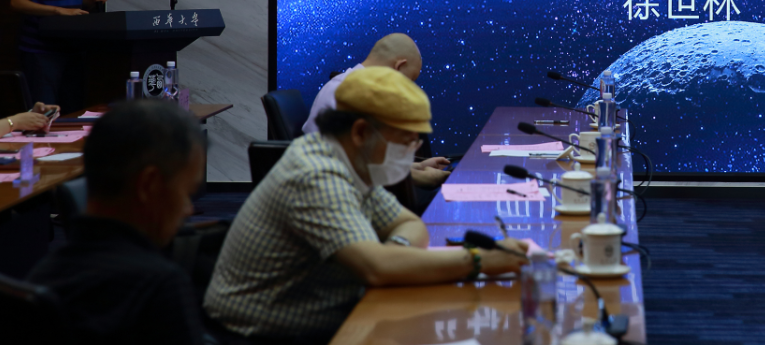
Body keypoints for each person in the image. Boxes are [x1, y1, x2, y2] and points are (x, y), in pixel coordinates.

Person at [205, 67, 528, 344]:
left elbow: (409, 225)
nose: (411, 153)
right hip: (261, 336)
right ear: (361, 132)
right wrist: (480, 259)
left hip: (328, 313)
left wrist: (395, 254)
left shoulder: (353, 162)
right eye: (405, 141)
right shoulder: (315, 173)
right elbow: (377, 269)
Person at [27, 99, 206, 345]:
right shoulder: (159, 287)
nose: (189, 209)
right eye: (186, 192)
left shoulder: (40, 276)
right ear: (149, 185)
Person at [301, 33, 451, 189]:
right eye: (410, 80)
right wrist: (419, 177)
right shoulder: (349, 94)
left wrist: (418, 167)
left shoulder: (349, 86)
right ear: (398, 68)